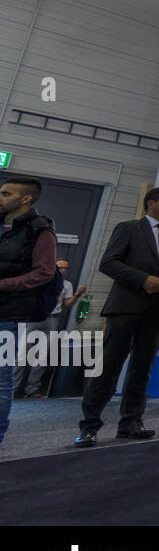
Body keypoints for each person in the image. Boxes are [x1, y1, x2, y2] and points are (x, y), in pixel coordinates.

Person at [74, 187, 159, 447]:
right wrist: (142, 279)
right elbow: (109, 262)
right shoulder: (128, 228)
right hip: (125, 308)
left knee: (142, 369)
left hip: (157, 311)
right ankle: (90, 426)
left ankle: (131, 423)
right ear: (151, 203)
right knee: (109, 368)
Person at [0, 177, 57, 446]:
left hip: (8, 315)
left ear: (25, 199)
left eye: (6, 193)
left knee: (1, 379)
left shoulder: (40, 231)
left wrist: (5, 285)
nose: (0, 197)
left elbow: (44, 272)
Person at [14, 259, 82, 398]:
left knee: (43, 356)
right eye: (60, 267)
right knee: (22, 353)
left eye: (65, 268)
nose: (62, 270)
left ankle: (32, 390)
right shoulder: (42, 280)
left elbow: (67, 304)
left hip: (52, 318)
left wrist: (78, 295)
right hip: (34, 317)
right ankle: (13, 388)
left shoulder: (66, 284)